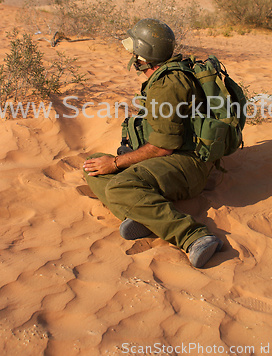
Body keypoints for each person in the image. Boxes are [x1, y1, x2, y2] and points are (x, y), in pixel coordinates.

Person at [83, 18, 223, 268]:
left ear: (143, 56)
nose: (131, 56)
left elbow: (162, 147)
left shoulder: (167, 84)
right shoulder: (172, 71)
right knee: (93, 167)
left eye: (134, 51)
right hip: (179, 156)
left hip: (188, 163)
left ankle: (194, 236)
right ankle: (141, 214)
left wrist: (115, 162)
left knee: (118, 186)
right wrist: (109, 163)